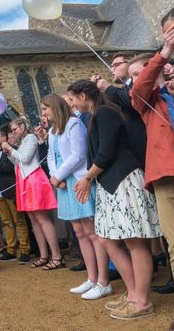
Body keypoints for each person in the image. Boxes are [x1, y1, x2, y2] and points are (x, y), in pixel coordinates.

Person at [68, 79, 160, 321]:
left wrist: (87, 178)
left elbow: (106, 151)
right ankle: (132, 293)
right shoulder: (96, 114)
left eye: (72, 98)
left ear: (83, 96)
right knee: (107, 238)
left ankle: (142, 300)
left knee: (135, 241)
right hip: (110, 184)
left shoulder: (106, 112)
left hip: (125, 179)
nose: (72, 104)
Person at [130, 9, 174, 329]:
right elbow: (137, 92)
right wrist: (164, 53)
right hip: (167, 177)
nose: (140, 76)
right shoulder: (147, 101)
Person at [41, 94, 110, 300]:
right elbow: (51, 156)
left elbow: (79, 155)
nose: (43, 113)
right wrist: (56, 177)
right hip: (63, 183)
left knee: (91, 233)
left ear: (55, 107)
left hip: (78, 181)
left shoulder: (74, 124)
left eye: (45, 108)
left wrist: (59, 175)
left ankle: (103, 281)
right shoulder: (53, 131)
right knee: (79, 232)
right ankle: (91, 277)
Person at [2, 118, 62, 271]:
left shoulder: (30, 138)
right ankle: (43, 255)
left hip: (34, 179)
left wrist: (10, 148)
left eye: (15, 129)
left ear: (23, 126)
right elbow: (17, 163)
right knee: (34, 219)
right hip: (24, 180)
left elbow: (26, 159)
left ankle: (56, 256)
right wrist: (9, 153)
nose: (14, 132)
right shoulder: (22, 142)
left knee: (42, 218)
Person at [0, 129, 31, 264]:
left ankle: (25, 251)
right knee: (6, 223)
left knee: (19, 221)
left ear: (4, 137)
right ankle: (10, 250)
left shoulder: (13, 150)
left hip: (11, 191)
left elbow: (8, 169)